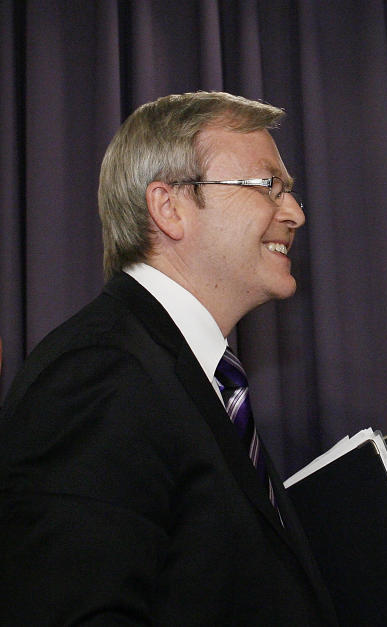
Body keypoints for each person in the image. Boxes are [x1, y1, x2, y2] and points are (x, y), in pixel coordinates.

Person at [0, 92, 338, 625]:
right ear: (169, 207)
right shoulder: (100, 373)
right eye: (267, 185)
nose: (295, 212)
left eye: (289, 190)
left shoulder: (195, 378)